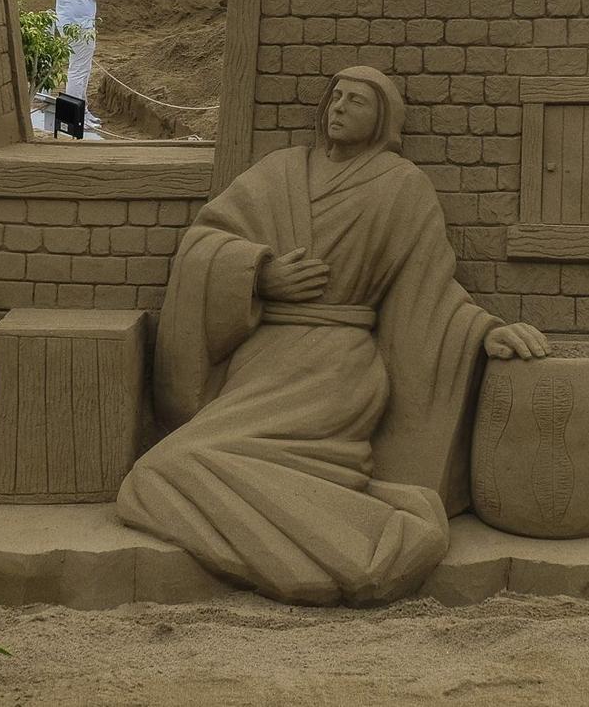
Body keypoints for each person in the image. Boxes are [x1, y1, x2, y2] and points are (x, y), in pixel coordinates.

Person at [117, 67, 548, 604]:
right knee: (154, 477)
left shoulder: (400, 187)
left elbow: (429, 287)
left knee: (170, 468)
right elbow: (206, 241)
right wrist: (259, 273)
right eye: (336, 97)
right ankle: (348, 534)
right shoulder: (280, 171)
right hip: (266, 361)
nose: (340, 107)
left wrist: (486, 332)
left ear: (383, 120)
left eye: (358, 102)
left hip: (337, 369)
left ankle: (366, 545)